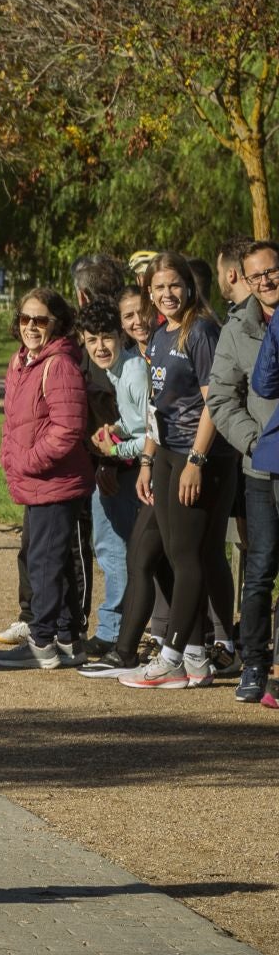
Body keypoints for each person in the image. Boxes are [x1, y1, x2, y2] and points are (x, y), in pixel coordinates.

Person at [118, 254, 234, 689]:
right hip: (166, 452)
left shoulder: (201, 331)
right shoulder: (162, 334)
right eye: (158, 287)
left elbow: (214, 403)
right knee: (179, 553)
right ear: (149, 291)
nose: (167, 294)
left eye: (175, 285)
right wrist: (148, 460)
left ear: (189, 286)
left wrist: (196, 461)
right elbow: (156, 405)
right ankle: (197, 656)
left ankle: (171, 657)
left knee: (188, 557)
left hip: (198, 455)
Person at [0, 289, 95, 669]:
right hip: (35, 480)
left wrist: (30, 461)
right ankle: (68, 639)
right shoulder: (22, 362)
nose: (31, 327)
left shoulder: (60, 364)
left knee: (45, 562)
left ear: (58, 323)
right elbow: (14, 422)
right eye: (25, 319)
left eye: (40, 320)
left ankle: (43, 641)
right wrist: (10, 458)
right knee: (50, 559)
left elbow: (67, 429)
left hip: (55, 480)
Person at [221, 241, 279, 703]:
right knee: (259, 568)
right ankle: (255, 663)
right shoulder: (237, 329)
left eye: (272, 271)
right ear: (245, 279)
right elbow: (222, 398)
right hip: (262, 469)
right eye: (257, 275)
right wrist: (256, 443)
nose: (267, 281)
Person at [80, 299, 150, 657]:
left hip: (147, 469)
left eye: (107, 337)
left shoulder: (134, 372)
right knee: (110, 544)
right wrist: (113, 430)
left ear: (121, 336)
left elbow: (153, 431)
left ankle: (119, 631)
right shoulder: (116, 370)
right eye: (92, 340)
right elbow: (134, 422)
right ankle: (116, 628)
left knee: (124, 548)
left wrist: (114, 453)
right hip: (130, 462)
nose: (100, 347)